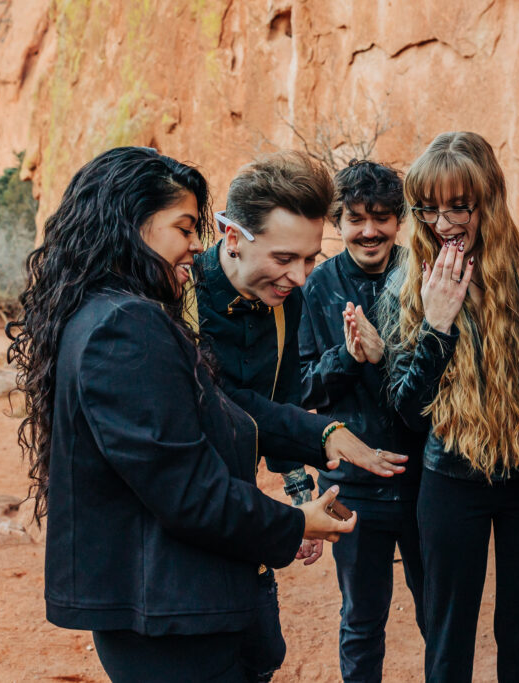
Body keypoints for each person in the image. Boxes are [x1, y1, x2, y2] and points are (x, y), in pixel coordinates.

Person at [7, 146, 405, 682]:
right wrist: (291, 520)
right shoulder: (131, 324)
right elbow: (188, 485)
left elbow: (235, 412)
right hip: (171, 607)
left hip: (204, 586)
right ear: (132, 223)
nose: (197, 244)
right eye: (184, 227)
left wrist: (315, 450)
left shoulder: (122, 312)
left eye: (309, 260)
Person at [379, 131, 519, 682]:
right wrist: (437, 325)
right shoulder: (405, 281)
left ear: (489, 197)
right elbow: (407, 414)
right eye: (428, 208)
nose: (443, 223)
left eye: (459, 206)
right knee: (448, 631)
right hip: (450, 479)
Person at [188, 150, 341, 681]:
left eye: (311, 259)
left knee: (261, 655)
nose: (299, 277)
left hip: (245, 518)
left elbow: (283, 405)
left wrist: (302, 502)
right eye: (283, 258)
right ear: (232, 237)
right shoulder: (177, 296)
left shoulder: (287, 299)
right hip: (181, 522)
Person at [299, 160, 426, 682]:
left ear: (400, 221)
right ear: (339, 222)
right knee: (362, 619)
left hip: (426, 481)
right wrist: (348, 357)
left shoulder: (420, 272)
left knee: (439, 613)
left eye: (382, 217)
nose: (369, 230)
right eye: (356, 218)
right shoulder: (317, 286)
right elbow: (301, 386)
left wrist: (388, 355)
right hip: (353, 487)